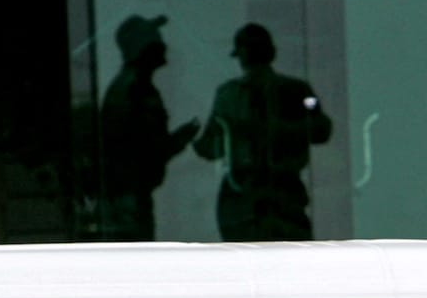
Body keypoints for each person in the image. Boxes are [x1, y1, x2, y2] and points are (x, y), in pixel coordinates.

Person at [192, 23, 334, 241]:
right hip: (251, 193)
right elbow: (211, 145)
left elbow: (321, 129)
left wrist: (277, 130)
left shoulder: (294, 90)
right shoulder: (231, 94)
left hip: (269, 192)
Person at [100, 14, 198, 240]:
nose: (163, 45)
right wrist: (181, 139)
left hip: (131, 194)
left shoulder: (133, 86)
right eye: (155, 40)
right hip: (130, 197)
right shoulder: (135, 90)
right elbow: (147, 148)